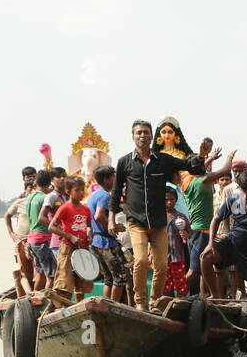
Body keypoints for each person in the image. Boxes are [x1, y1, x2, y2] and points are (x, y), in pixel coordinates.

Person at [110, 120, 204, 310]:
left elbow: (189, 166)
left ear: (152, 136)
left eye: (146, 132)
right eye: (139, 133)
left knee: (162, 264)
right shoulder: (124, 162)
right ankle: (140, 302)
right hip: (136, 221)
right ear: (133, 136)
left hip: (159, 223)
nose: (142, 136)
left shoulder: (163, 160)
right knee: (142, 260)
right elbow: (115, 191)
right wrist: (111, 219)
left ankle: (155, 301)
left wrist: (201, 155)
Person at [202, 170, 247, 301]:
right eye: (244, 192)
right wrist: (210, 244)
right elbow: (215, 219)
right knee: (205, 257)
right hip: (232, 244)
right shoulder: (234, 199)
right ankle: (215, 296)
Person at [180, 145, 234, 297]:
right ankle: (176, 296)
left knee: (202, 267)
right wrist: (229, 157)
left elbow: (196, 167)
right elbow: (225, 170)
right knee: (194, 271)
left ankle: (211, 295)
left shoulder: (187, 180)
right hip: (202, 231)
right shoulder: (204, 180)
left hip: (194, 230)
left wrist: (210, 158)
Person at [87, 166, 130, 303]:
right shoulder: (105, 195)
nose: (115, 180)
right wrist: (114, 227)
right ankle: (113, 306)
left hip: (96, 242)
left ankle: (105, 305)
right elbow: (99, 215)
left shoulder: (93, 195)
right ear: (106, 179)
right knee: (120, 278)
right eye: (113, 177)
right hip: (106, 243)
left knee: (109, 279)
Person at [48, 176, 94, 302]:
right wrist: (70, 236)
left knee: (81, 285)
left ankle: (79, 309)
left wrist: (89, 235)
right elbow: (51, 227)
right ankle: (62, 307)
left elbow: (88, 226)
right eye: (77, 190)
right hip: (67, 248)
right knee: (64, 283)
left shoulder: (86, 209)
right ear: (68, 192)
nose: (81, 193)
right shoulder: (65, 208)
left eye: (82, 190)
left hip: (82, 249)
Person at [24, 169, 56, 291]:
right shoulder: (45, 198)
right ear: (49, 183)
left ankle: (34, 301)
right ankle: (48, 302)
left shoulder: (30, 197)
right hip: (42, 239)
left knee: (41, 274)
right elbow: (43, 218)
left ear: (36, 182)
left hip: (32, 239)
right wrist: (57, 227)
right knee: (52, 275)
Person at [3, 181, 33, 297]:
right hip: (21, 241)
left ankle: (32, 295)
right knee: (24, 271)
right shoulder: (20, 202)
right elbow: (7, 216)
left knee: (36, 272)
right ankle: (23, 298)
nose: (32, 191)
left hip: (35, 240)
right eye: (30, 188)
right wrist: (11, 233)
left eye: (34, 188)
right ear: (26, 190)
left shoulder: (39, 202)